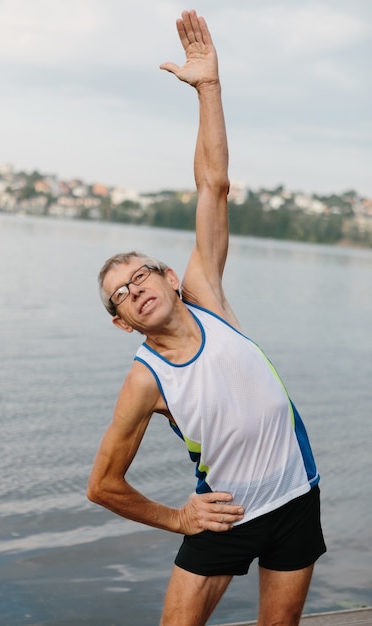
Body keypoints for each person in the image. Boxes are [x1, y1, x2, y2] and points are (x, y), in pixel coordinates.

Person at [87, 10, 326, 626]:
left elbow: (212, 185)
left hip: (297, 497)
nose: (134, 289)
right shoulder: (147, 379)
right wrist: (176, 518)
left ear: (170, 277)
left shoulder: (207, 296)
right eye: (120, 294)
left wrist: (209, 87)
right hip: (225, 516)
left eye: (141, 274)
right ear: (122, 323)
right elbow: (104, 484)